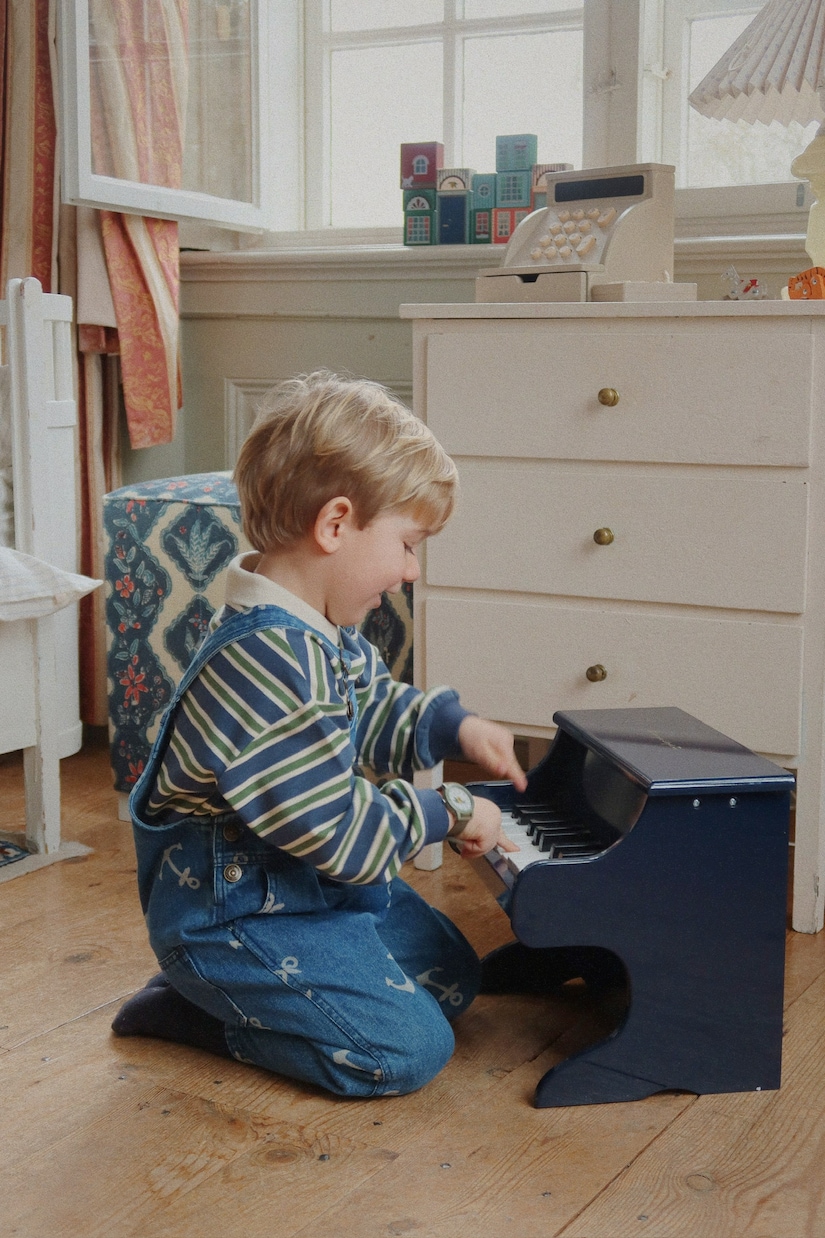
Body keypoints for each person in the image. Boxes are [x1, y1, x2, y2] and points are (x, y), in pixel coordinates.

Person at [113, 370, 527, 1098]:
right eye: (405, 544)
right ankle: (202, 1008)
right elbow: (339, 829)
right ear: (335, 524)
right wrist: (451, 810)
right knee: (405, 1051)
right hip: (232, 923)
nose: (408, 571)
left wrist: (448, 725)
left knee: (451, 979)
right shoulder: (260, 662)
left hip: (307, 891)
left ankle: (283, 992)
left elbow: (369, 708)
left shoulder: (320, 635)